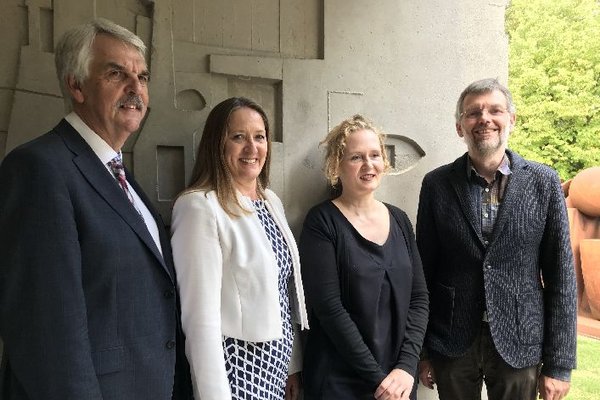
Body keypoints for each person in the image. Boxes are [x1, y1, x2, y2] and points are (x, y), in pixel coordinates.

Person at [0, 18, 191, 399]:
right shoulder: (39, 168)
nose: (135, 88)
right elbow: (46, 334)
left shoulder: (118, 175)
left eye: (142, 76)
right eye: (116, 73)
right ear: (76, 84)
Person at [416, 78, 577, 400]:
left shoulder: (543, 182)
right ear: (460, 127)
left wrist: (559, 365)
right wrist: (422, 351)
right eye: (473, 113)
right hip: (452, 340)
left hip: (521, 339)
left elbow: (561, 276)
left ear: (511, 120)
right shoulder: (436, 185)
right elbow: (423, 274)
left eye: (495, 110)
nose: (484, 119)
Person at [170, 97, 309, 400]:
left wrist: (292, 366)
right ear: (217, 145)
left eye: (259, 137)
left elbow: (282, 292)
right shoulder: (199, 206)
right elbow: (199, 319)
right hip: (236, 372)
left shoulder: (270, 201)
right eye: (238, 137)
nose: (252, 148)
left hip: (276, 371)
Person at [299, 115, 429, 400]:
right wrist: (378, 380)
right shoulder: (322, 222)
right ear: (337, 165)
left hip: (398, 383)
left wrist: (406, 367)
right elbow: (329, 308)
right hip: (339, 381)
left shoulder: (400, 220)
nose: (368, 165)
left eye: (374, 155)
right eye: (356, 157)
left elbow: (419, 299)